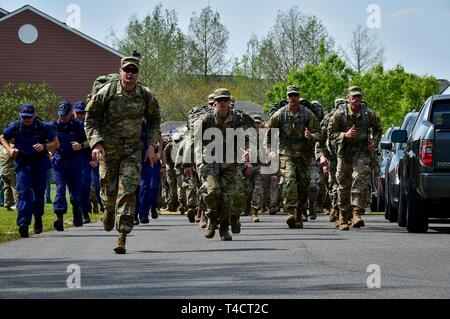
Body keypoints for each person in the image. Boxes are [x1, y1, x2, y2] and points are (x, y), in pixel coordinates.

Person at [84, 55, 161, 254]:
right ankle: (109, 211)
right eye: (126, 70)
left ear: (137, 74)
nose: (129, 74)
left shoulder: (145, 95)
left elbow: (154, 121)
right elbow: (90, 119)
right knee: (109, 192)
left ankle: (122, 236)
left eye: (133, 71)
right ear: (120, 71)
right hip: (108, 149)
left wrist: (152, 146)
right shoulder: (106, 92)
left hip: (133, 149)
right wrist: (96, 143)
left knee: (127, 191)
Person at [194, 88, 252, 240]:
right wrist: (199, 163)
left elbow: (249, 136)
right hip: (210, 160)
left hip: (231, 161)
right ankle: (212, 219)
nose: (222, 103)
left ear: (229, 101)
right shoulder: (206, 119)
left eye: (225, 100)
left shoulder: (238, 119)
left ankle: (224, 228)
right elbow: (197, 142)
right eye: (219, 100)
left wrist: (247, 150)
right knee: (212, 190)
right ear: (214, 103)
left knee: (228, 197)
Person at [327, 86, 383, 230]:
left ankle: (356, 213)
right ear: (348, 98)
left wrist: (374, 141)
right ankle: (342, 217)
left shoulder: (368, 114)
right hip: (344, 152)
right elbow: (330, 134)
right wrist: (344, 135)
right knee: (343, 184)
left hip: (362, 150)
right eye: (353, 96)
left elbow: (378, 129)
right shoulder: (339, 114)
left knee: (359, 178)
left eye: (358, 96)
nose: (356, 99)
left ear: (361, 98)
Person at [0, 104, 59, 237]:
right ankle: (23, 223)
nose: (26, 120)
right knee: (24, 192)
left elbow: (56, 142)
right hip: (23, 164)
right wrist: (10, 149)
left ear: (33, 115)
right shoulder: (16, 126)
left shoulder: (42, 126)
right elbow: (2, 137)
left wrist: (44, 146)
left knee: (39, 194)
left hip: (39, 163)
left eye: (28, 117)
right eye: (24, 117)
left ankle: (37, 218)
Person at [265, 85, 320, 229]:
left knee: (304, 184)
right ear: (287, 97)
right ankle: (291, 210)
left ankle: (300, 213)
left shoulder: (308, 114)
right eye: (290, 95)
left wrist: (311, 136)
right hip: (286, 152)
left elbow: (319, 133)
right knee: (289, 178)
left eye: (295, 95)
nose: (293, 98)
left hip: (304, 154)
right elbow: (268, 135)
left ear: (299, 97)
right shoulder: (279, 115)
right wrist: (270, 150)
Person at [51, 101, 89, 231]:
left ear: (70, 113)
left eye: (65, 115)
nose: (63, 118)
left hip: (75, 162)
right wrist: (49, 149)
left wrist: (80, 145)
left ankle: (77, 212)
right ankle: (59, 218)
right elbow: (45, 139)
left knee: (75, 191)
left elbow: (89, 141)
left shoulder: (78, 126)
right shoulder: (54, 126)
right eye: (61, 115)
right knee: (60, 189)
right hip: (60, 161)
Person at [74, 100, 98, 224]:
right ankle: (77, 211)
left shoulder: (89, 125)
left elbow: (93, 140)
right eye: (77, 113)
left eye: (81, 113)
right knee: (74, 187)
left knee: (84, 185)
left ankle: (84, 212)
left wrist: (82, 145)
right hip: (71, 159)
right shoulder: (70, 124)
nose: (79, 115)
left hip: (85, 159)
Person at [0, 143, 19, 210]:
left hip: (3, 170)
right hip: (11, 170)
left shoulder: (1, 148)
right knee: (15, 187)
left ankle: (7, 204)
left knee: (6, 188)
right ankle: (18, 204)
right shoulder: (11, 147)